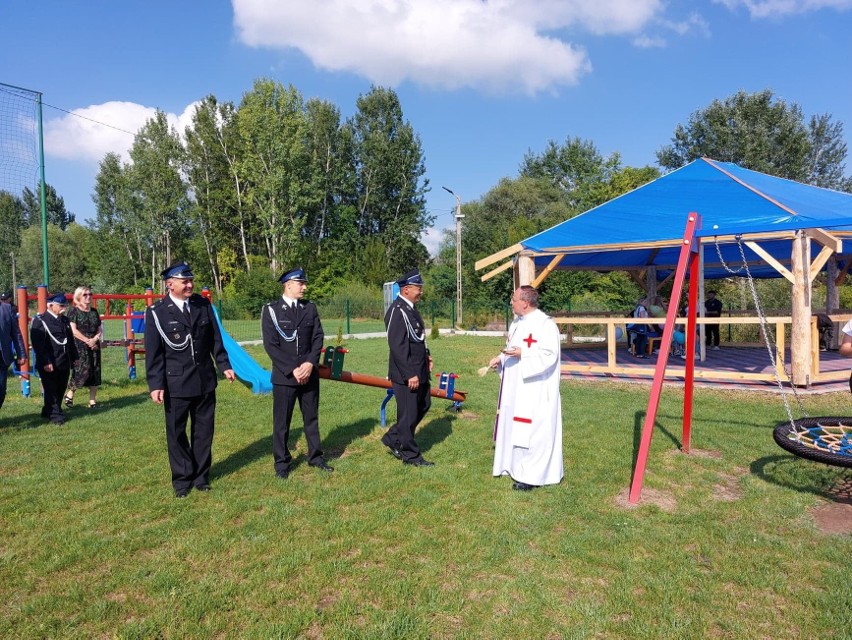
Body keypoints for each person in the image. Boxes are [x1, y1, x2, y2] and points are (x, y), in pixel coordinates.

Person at [145, 262, 235, 498]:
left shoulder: (202, 305)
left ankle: (201, 476)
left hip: (205, 380)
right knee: (176, 433)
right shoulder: (156, 312)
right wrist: (156, 384)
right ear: (170, 284)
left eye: (190, 280)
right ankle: (182, 479)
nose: (190, 285)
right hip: (176, 383)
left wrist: (224, 365)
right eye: (184, 281)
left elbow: (216, 340)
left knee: (204, 431)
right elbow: (154, 353)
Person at [488, 286, 563, 491]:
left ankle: (532, 475)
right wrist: (501, 358)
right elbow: (513, 348)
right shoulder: (517, 323)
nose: (510, 302)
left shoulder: (545, 325)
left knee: (533, 432)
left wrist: (525, 353)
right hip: (516, 388)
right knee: (515, 427)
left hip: (535, 389)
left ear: (525, 303)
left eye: (513, 299)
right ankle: (513, 466)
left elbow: (549, 355)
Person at [261, 267, 332, 479]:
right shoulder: (272, 310)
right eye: (300, 283)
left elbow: (317, 337)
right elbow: (271, 345)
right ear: (288, 284)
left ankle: (316, 457)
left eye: (304, 283)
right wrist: (293, 368)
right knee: (282, 422)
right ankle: (282, 463)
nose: (304, 287)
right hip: (285, 376)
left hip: (309, 374)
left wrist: (310, 364)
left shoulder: (309, 308)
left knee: (311, 418)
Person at [383, 269, 434, 467]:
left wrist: (427, 355)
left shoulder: (410, 308)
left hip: (419, 368)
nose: (421, 291)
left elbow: (417, 337)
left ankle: (393, 437)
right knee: (408, 413)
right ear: (406, 290)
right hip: (407, 373)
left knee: (423, 404)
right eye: (418, 288)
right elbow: (397, 346)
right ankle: (410, 455)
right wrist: (409, 373)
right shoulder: (397, 311)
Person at [30, 292, 76, 425]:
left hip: (63, 361)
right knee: (51, 389)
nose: (64, 308)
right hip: (50, 361)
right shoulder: (40, 321)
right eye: (61, 305)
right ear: (50, 305)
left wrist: (74, 358)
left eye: (65, 305)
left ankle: (48, 411)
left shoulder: (65, 320)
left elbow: (70, 341)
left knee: (60, 388)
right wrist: (46, 362)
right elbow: (39, 345)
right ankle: (56, 416)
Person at [63, 287, 102, 409]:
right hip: (79, 345)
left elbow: (99, 328)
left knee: (95, 371)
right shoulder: (73, 311)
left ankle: (92, 401)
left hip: (94, 345)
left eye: (90, 294)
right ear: (79, 296)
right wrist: (87, 341)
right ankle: (69, 394)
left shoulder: (94, 311)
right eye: (85, 295)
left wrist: (95, 339)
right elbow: (73, 330)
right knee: (81, 371)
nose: (88, 296)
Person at [0, 291, 27, 412]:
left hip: (2, 357)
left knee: (1, 390)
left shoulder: (7, 309)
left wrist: (21, 353)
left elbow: (16, 333)